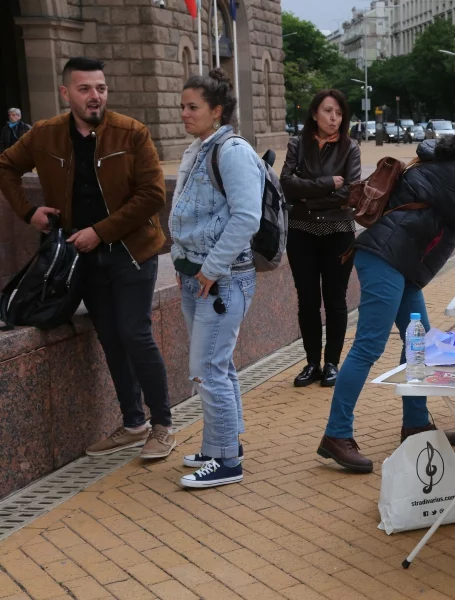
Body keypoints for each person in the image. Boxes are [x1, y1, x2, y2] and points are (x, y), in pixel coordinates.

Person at [317, 113, 455, 473]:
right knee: (368, 347)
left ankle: (416, 424)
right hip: (385, 260)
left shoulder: (452, 172)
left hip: (400, 264)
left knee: (418, 343)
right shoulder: (452, 175)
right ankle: (336, 434)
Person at [0, 58, 175, 459]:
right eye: (85, 89)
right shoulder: (45, 135)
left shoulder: (131, 133)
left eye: (101, 88)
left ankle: (163, 425)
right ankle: (134, 424)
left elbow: (152, 195)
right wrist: (29, 212)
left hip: (132, 251)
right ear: (66, 93)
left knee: (134, 332)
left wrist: (101, 231)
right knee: (110, 337)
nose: (95, 96)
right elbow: (6, 166)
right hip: (81, 258)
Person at [171, 68, 263, 489]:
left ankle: (226, 462)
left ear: (217, 111)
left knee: (208, 368)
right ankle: (221, 445)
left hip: (222, 280)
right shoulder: (200, 148)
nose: (185, 114)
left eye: (193, 107)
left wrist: (210, 268)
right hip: (199, 276)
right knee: (216, 366)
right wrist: (184, 262)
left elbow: (247, 217)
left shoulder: (232, 151)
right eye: (184, 106)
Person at [280, 90, 361, 388]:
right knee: (308, 301)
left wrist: (308, 197)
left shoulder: (350, 148)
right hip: (301, 232)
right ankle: (312, 362)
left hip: (338, 232)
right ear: (315, 113)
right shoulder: (296, 145)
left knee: (335, 300)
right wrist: (326, 184)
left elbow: (349, 193)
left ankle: (332, 363)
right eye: (328, 111)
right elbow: (286, 185)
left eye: (338, 113)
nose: (334, 118)